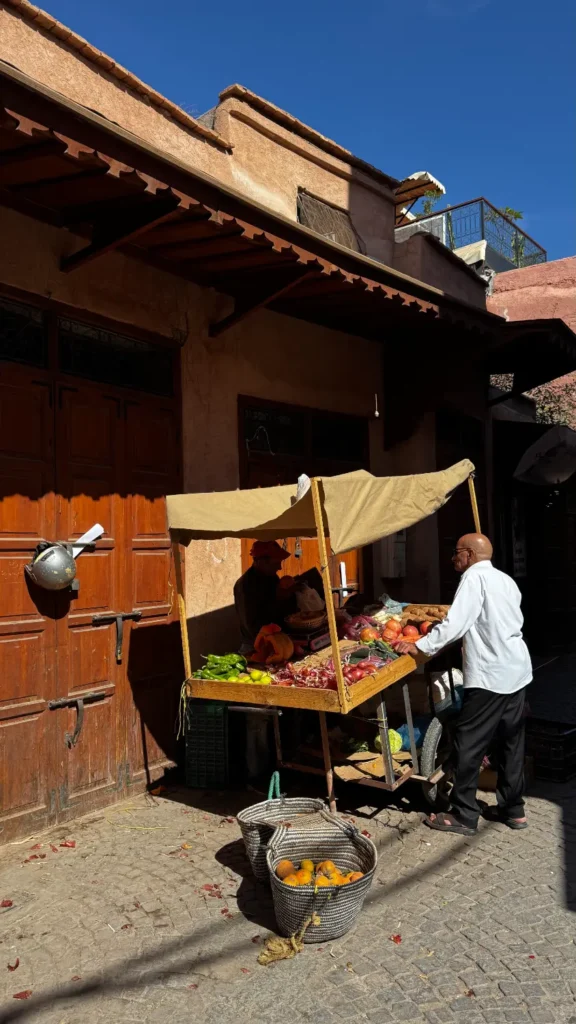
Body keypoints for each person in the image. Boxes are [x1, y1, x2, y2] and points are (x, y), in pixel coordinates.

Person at [397, 533, 532, 837]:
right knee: (511, 742)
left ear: (470, 554)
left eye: (457, 552)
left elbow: (455, 624)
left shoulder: (473, 580)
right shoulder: (505, 579)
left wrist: (420, 645)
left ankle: (464, 814)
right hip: (517, 670)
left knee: (469, 743)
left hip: (491, 676)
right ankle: (514, 810)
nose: (453, 558)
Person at [233, 540, 297, 654]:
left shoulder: (271, 577)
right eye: (275, 563)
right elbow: (253, 626)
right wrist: (278, 600)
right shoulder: (245, 586)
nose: (279, 567)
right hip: (256, 647)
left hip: (278, 640)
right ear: (260, 561)